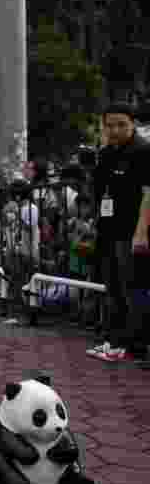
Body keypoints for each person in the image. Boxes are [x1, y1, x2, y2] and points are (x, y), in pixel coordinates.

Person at [88, 104, 150, 362]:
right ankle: (115, 341)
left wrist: (141, 232)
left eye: (121, 124)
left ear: (132, 124)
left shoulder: (143, 151)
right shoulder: (105, 154)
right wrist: (96, 222)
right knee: (112, 286)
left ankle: (135, 344)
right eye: (109, 125)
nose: (114, 130)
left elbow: (149, 193)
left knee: (132, 288)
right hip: (109, 230)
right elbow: (100, 192)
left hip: (132, 231)